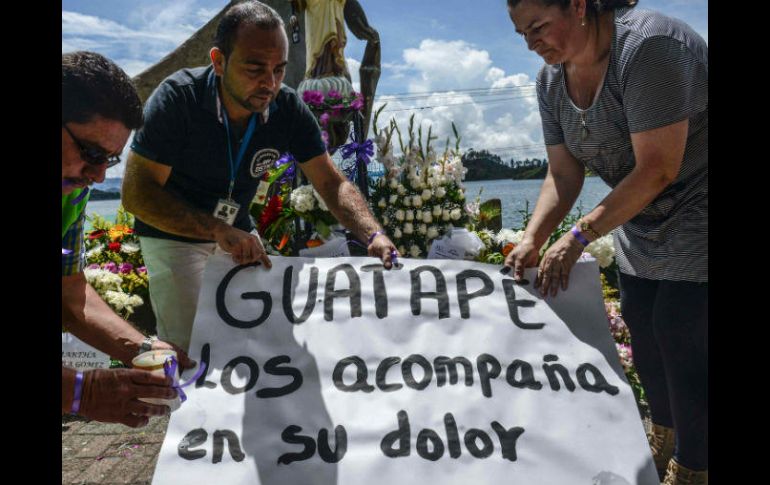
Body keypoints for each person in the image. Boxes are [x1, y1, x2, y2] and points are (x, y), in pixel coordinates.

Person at [502, 1, 707, 483]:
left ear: (577, 6)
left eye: (537, 27)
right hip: (640, 215)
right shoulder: (550, 81)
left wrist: (579, 235)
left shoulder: (649, 46)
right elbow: (564, 173)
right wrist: (534, 237)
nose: (531, 43)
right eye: (520, 34)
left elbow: (658, 167)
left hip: (700, 200)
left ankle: (696, 468)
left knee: (680, 332)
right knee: (641, 324)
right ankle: (664, 437)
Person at [121, 1, 397, 354]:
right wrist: (216, 230)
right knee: (190, 346)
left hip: (235, 231)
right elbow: (137, 194)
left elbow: (331, 182)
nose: (270, 83)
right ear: (218, 61)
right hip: (172, 235)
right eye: (255, 69)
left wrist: (372, 233)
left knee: (261, 337)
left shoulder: (287, 107)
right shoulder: (179, 98)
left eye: (279, 69)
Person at [62, 51, 195, 428]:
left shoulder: (70, 188)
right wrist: (79, 392)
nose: (99, 176)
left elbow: (70, 296)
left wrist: (141, 347)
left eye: (111, 160)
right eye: (89, 153)